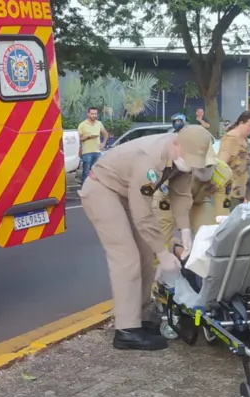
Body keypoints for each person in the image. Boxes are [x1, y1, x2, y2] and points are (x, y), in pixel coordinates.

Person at [80, 125, 218, 351]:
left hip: (127, 194)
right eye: (188, 158)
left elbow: (181, 195)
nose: (189, 164)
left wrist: (185, 232)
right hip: (102, 190)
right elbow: (143, 214)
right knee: (127, 257)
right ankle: (126, 330)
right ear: (176, 144)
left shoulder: (183, 156)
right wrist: (163, 253)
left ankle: (141, 319)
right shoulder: (149, 160)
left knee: (145, 254)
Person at [218, 111, 250, 209]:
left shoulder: (244, 138)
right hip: (230, 191)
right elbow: (221, 164)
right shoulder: (230, 139)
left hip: (243, 188)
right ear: (241, 123)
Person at [77, 106, 108, 186]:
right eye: (92, 114)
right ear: (88, 114)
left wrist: (104, 143)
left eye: (95, 114)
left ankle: (94, 190)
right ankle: (84, 189)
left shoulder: (99, 123)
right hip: (87, 152)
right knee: (86, 172)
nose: (94, 115)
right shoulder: (82, 125)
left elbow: (106, 133)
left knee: (97, 172)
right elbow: (78, 139)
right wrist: (88, 137)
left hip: (97, 151)